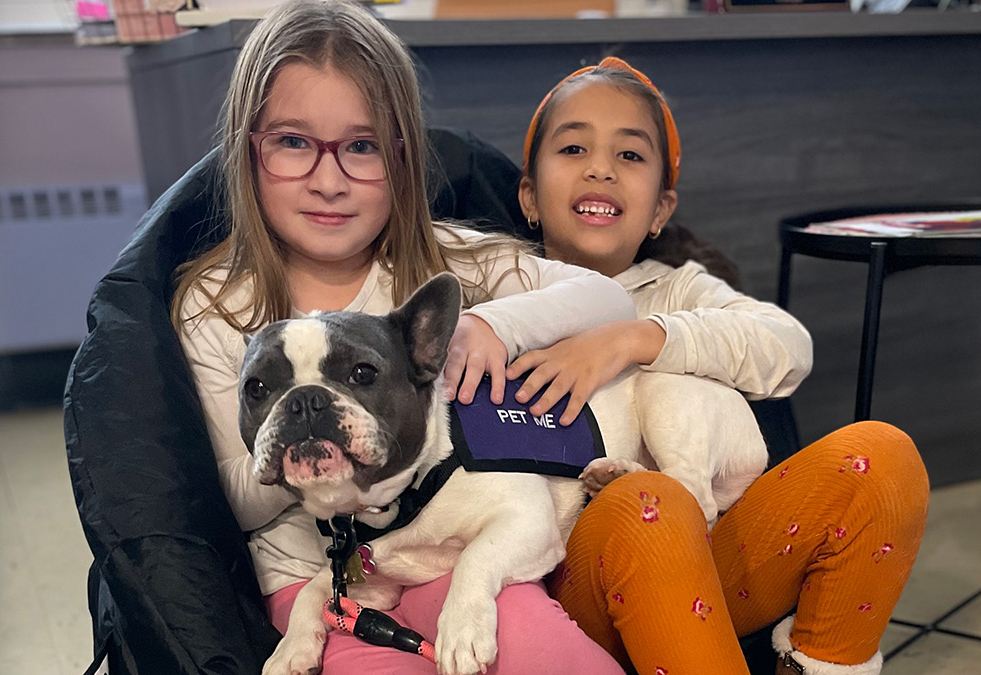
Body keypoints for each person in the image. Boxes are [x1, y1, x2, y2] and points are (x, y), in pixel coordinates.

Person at [170, 2, 632, 673]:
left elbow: (610, 295)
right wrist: (308, 442)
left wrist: (492, 323)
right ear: (247, 149)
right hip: (315, 581)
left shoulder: (449, 263)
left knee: (557, 658)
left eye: (360, 147)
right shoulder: (216, 305)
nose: (328, 180)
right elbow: (225, 498)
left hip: (448, 546)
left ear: (403, 157)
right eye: (294, 142)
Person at [508, 56, 932, 675]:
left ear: (660, 209)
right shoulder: (493, 294)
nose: (600, 167)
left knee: (882, 457)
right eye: (574, 148)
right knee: (649, 500)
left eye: (630, 156)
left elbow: (786, 348)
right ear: (528, 196)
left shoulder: (678, 290)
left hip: (705, 574)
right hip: (564, 595)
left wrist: (635, 338)